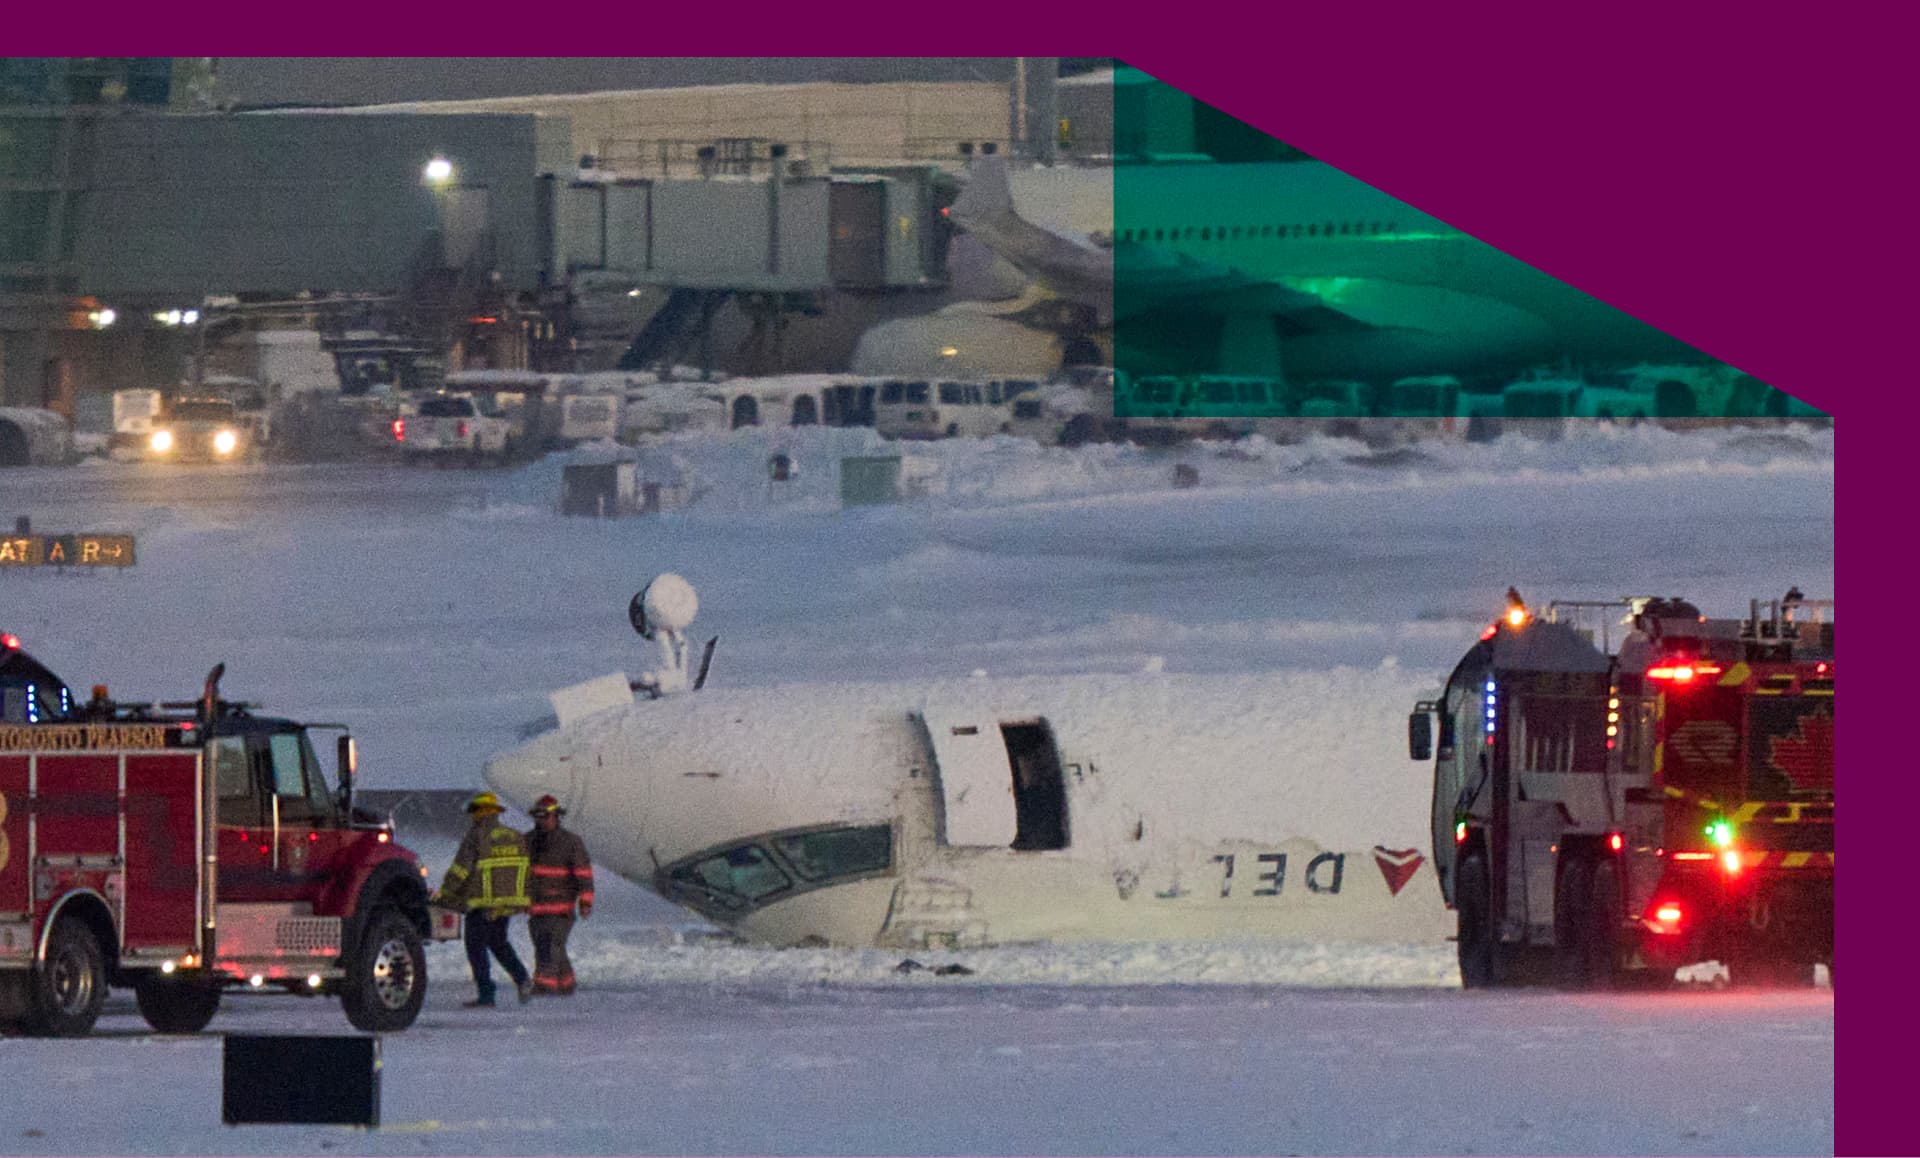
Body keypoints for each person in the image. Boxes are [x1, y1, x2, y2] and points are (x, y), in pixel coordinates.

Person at [434, 791, 533, 1008]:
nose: (473, 817)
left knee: (476, 947)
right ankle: (523, 979)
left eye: (474, 813)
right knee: (498, 943)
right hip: (507, 903)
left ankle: (486, 995)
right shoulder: (515, 836)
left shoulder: (476, 836)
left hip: (481, 903)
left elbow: (461, 870)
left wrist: (445, 894)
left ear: (479, 813)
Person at [525, 793, 594, 996]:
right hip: (536, 908)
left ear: (556, 816)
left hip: (561, 908)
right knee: (546, 945)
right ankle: (566, 983)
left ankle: (543, 985)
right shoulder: (527, 841)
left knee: (549, 946)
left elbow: (584, 874)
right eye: (538, 816)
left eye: (545, 816)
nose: (542, 820)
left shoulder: (571, 842)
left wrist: (586, 902)